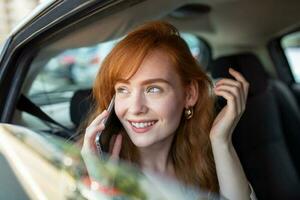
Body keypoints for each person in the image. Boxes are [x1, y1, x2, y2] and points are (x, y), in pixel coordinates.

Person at [81, 21, 256, 200]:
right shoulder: (91, 171)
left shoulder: (207, 162)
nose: (135, 108)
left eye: (153, 89)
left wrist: (221, 140)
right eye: (123, 90)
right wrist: (101, 189)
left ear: (189, 95)